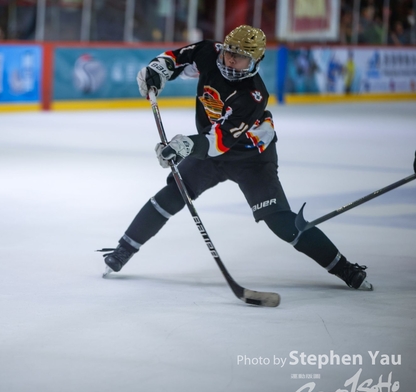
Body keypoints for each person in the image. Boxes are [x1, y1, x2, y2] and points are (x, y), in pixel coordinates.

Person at [99, 25, 373, 291]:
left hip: (252, 158)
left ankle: (344, 268)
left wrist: (184, 146)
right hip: (210, 153)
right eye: (229, 51)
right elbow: (174, 59)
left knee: (281, 223)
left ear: (256, 61)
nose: (231, 59)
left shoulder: (253, 95)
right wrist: (156, 71)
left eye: (240, 56)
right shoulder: (209, 53)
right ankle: (123, 250)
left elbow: (218, 141)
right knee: (172, 193)